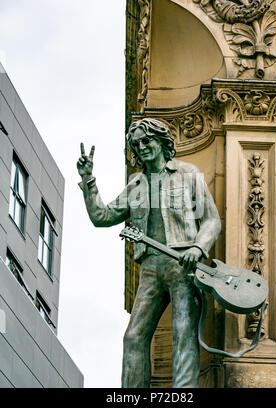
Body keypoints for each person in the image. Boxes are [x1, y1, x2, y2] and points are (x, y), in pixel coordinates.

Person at [77, 118, 221, 388]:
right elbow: (102, 216)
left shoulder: (188, 174)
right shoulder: (136, 184)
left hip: (183, 265)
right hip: (150, 268)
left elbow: (212, 221)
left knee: (183, 332)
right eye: (136, 144)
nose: (141, 146)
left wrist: (197, 247)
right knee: (133, 336)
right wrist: (88, 180)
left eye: (146, 140)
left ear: (162, 141)